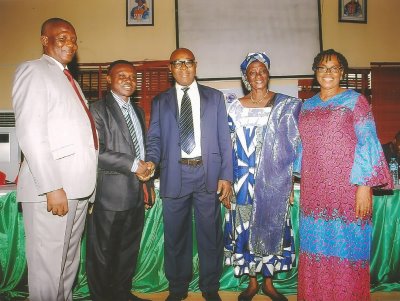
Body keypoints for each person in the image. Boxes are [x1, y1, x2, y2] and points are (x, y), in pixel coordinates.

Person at [296, 49, 393, 301]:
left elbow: (368, 142)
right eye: (322, 67)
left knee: (346, 247)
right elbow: (301, 146)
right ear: (315, 72)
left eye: (334, 68)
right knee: (316, 246)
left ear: (342, 73)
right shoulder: (307, 106)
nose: (328, 72)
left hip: (346, 190)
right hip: (314, 191)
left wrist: (364, 185)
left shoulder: (355, 101)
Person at [12, 18, 98, 300]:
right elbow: (31, 134)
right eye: (61, 38)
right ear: (44, 40)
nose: (70, 44)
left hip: (77, 189)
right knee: (48, 271)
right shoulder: (34, 71)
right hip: (53, 190)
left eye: (73, 39)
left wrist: (89, 191)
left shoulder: (68, 78)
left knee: (66, 267)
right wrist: (51, 186)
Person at [145, 48, 233, 301]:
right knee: (175, 237)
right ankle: (177, 288)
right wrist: (151, 162)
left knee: (210, 236)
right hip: (175, 174)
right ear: (170, 69)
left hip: (208, 174)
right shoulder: (160, 101)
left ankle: (210, 288)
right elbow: (155, 138)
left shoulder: (214, 97)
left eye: (188, 63)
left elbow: (224, 139)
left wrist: (226, 175)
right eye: (178, 64)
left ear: (196, 65)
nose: (184, 68)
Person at [223, 52, 301, 301]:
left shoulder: (285, 106)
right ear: (246, 77)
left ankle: (269, 283)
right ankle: (252, 282)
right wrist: (226, 182)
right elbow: (226, 146)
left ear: (268, 74)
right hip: (242, 179)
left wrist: (289, 182)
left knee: (271, 226)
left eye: (262, 70)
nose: (258, 75)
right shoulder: (235, 107)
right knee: (244, 227)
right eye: (252, 72)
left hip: (274, 179)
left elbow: (294, 146)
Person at [86, 60, 155, 301]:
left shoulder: (136, 110)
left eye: (132, 76)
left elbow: (141, 150)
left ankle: (121, 294)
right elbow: (96, 151)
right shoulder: (96, 109)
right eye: (121, 75)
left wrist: (147, 179)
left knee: (128, 251)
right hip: (109, 196)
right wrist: (134, 165)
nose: (128, 79)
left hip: (135, 194)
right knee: (103, 254)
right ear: (108, 79)